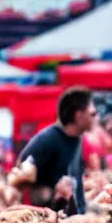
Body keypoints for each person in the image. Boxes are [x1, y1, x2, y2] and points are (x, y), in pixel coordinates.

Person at [16, 86, 96, 215]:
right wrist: (50, 190)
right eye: (92, 113)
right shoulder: (48, 138)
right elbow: (19, 172)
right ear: (79, 115)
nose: (95, 117)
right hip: (51, 220)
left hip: (74, 218)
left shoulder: (77, 138)